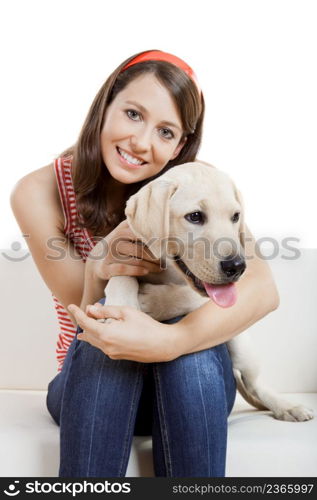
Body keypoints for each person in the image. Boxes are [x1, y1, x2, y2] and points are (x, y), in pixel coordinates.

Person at [10, 49, 279, 478]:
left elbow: (264, 290)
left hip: (187, 381)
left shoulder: (195, 185)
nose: (141, 142)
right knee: (105, 345)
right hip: (93, 377)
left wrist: (169, 342)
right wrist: (100, 264)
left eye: (166, 132)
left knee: (191, 356)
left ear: (180, 146)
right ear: (105, 106)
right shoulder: (39, 191)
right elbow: (84, 315)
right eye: (133, 114)